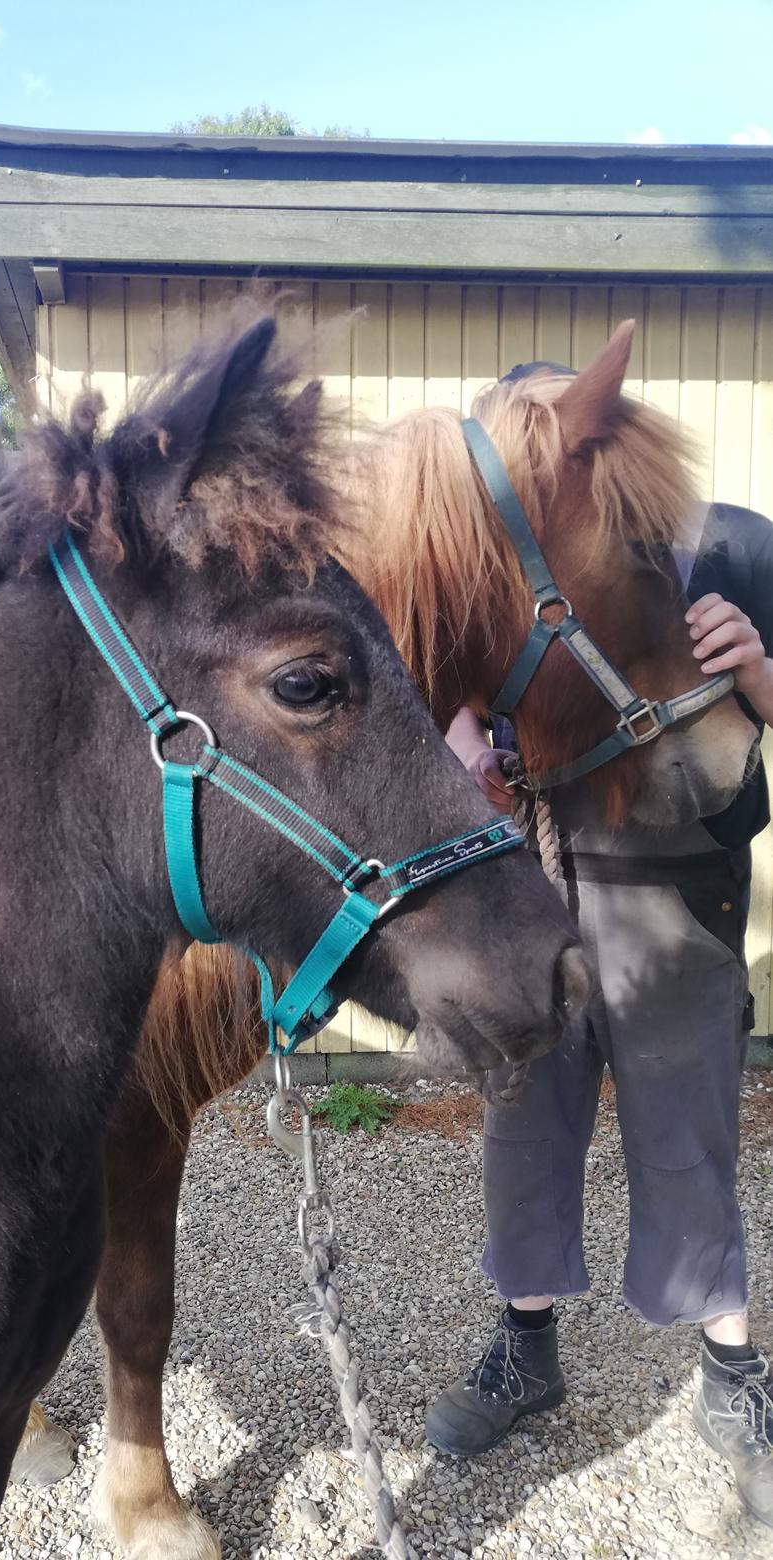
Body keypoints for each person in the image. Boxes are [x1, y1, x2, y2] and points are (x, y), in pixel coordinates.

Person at [425, 491, 773, 1528]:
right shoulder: (496, 568)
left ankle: (732, 1377)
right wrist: (465, 751)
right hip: (529, 889)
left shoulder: (732, 546)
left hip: (679, 899)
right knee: (522, 1137)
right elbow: (451, 694)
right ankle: (527, 1357)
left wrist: (753, 666)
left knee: (686, 1142)